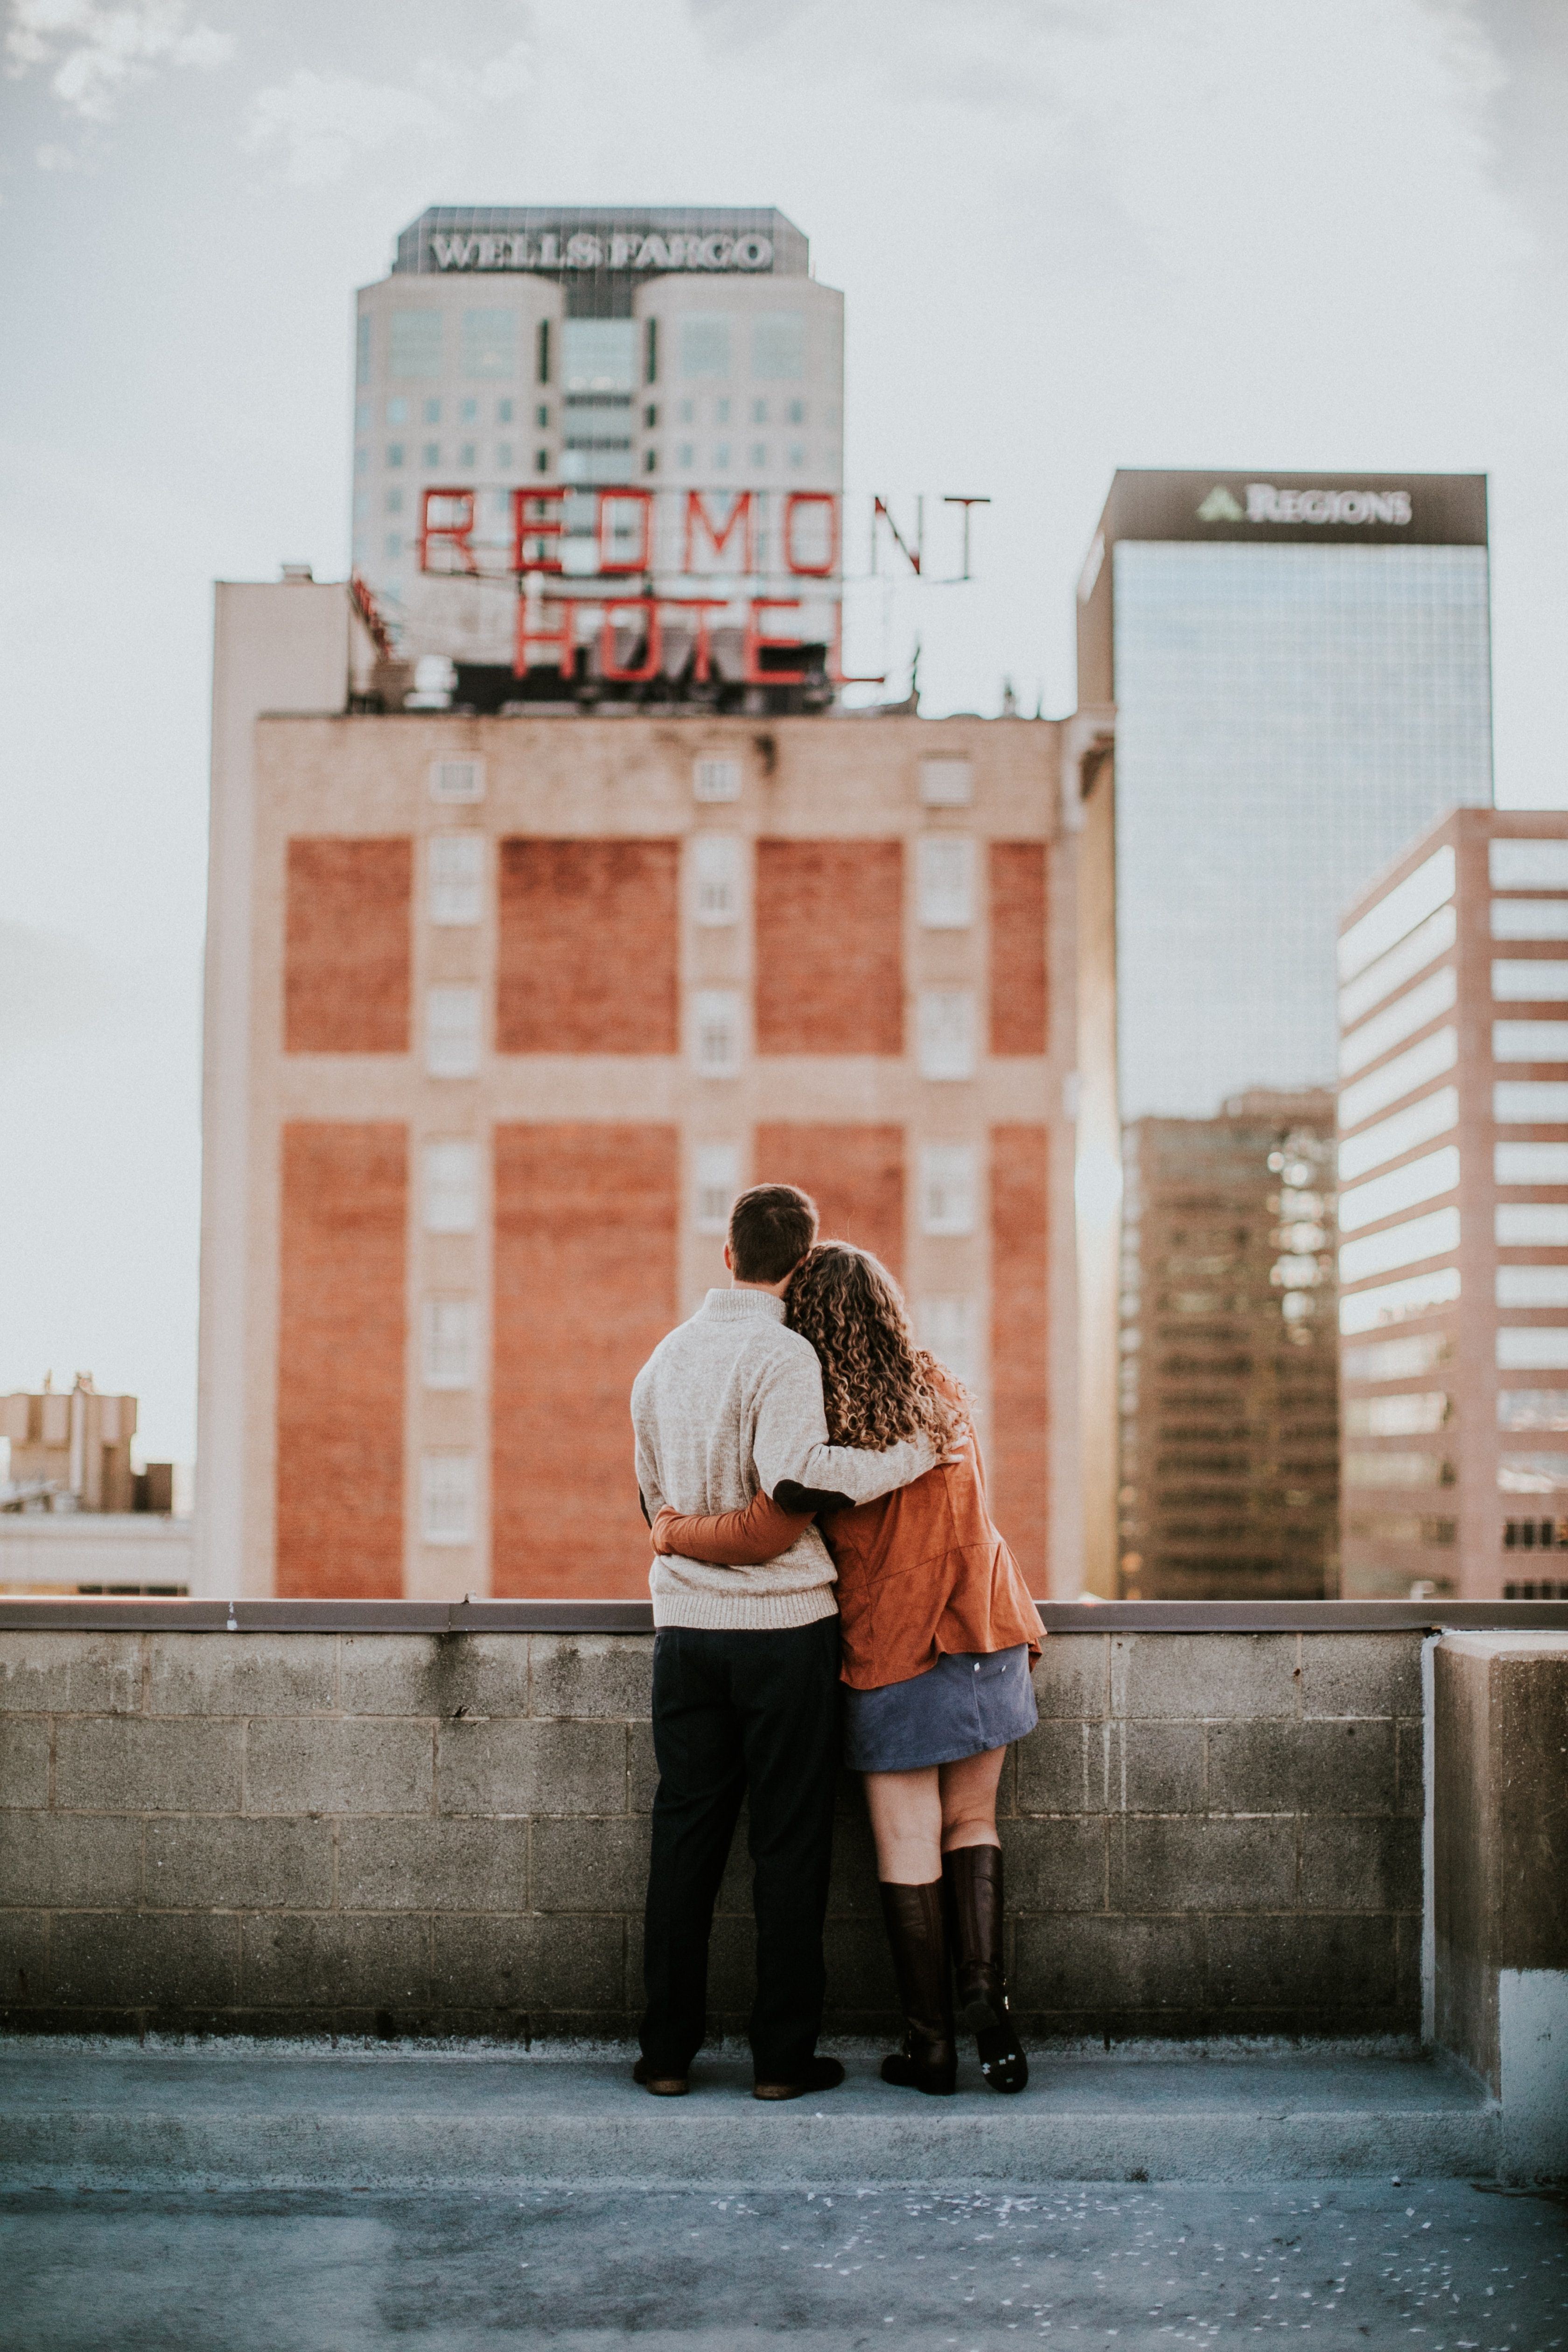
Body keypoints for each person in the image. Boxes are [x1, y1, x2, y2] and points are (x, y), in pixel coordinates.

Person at [651, 1241, 1042, 2098]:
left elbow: (770, 1521)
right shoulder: (940, 1394)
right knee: (973, 1822)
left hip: (891, 1648)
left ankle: (931, 2049)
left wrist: (673, 1532)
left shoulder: (823, 1422)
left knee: (908, 1844)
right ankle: (986, 1990)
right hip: (988, 1627)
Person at [630, 1185, 938, 2103]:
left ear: (726, 1257)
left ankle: (666, 2055)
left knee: (684, 1841)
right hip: (783, 1631)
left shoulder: (662, 1361)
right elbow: (797, 1477)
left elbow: (653, 1507)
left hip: (684, 1634)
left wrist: (687, 1540)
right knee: (790, 1846)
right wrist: (907, 1458)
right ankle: (780, 2060)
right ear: (802, 1267)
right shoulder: (787, 1353)